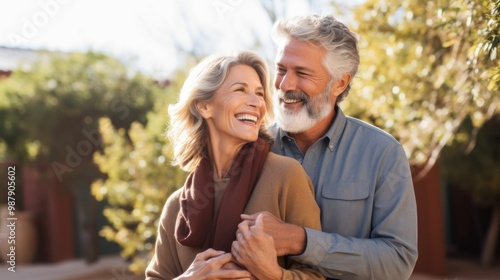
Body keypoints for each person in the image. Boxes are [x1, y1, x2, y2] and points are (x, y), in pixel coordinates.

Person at [233, 14, 418, 279]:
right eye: (282, 69)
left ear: (339, 83)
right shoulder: (250, 147)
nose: (285, 85)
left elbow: (398, 261)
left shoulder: (382, 153)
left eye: (302, 73)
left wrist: (302, 241)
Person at [145, 50, 324, 280]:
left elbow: (317, 275)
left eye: (259, 94)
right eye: (240, 90)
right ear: (204, 106)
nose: (255, 103)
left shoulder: (285, 176)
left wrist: (272, 274)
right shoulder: (176, 207)